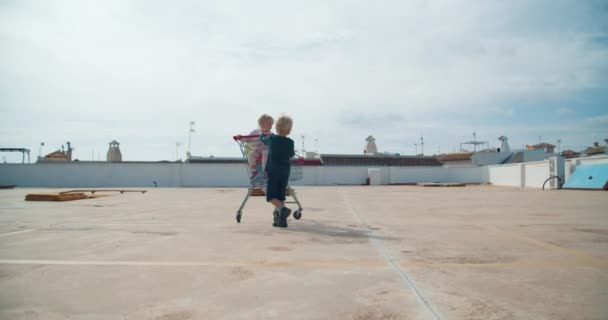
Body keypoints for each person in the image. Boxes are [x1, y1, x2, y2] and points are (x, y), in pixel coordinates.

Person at [261, 115, 295, 228]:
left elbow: (263, 139)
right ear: (289, 129)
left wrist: (263, 133)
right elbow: (291, 154)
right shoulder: (290, 142)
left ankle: (283, 209)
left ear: (276, 127)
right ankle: (281, 220)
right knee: (280, 197)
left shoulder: (272, 138)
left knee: (271, 196)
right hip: (285, 173)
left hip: (273, 172)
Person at [240, 114, 274, 186]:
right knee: (250, 155)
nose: (271, 126)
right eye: (269, 124)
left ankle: (265, 172)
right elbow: (247, 139)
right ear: (262, 124)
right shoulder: (255, 132)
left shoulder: (271, 134)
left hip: (266, 151)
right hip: (256, 150)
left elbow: (275, 143)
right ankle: (254, 171)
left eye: (271, 124)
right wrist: (240, 138)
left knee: (265, 153)